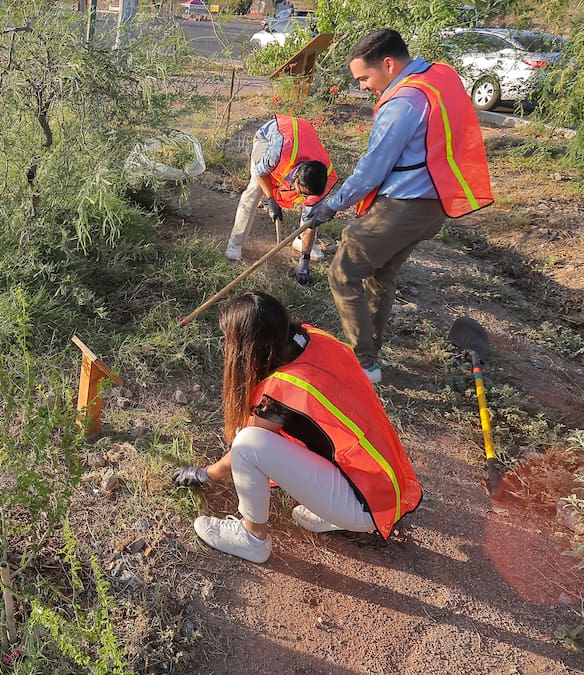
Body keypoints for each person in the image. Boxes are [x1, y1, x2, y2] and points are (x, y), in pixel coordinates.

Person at [172, 291, 422, 564]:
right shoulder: (315, 340)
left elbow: (247, 448)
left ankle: (252, 538)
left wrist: (205, 474)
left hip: (364, 504)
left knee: (247, 444)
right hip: (382, 482)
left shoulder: (281, 391)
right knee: (257, 442)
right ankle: (334, 513)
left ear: (248, 346)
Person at [302, 29, 493, 383]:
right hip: (433, 204)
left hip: (404, 205)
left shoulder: (403, 102)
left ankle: (363, 365)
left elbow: (371, 171)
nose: (361, 87)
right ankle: (373, 355)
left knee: (343, 274)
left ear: (388, 64)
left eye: (363, 78)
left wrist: (330, 206)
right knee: (381, 275)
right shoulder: (437, 77)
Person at [224, 115, 338, 286]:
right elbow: (261, 172)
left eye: (308, 195)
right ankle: (235, 243)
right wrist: (271, 199)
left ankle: (300, 243)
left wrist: (304, 261)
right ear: (297, 177)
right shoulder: (277, 154)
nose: (304, 197)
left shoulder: (322, 179)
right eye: (302, 192)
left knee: (310, 214)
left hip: (301, 141)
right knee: (255, 189)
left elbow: (311, 221)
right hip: (270, 136)